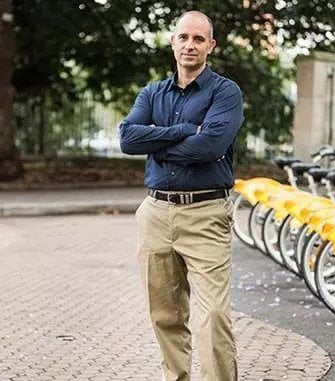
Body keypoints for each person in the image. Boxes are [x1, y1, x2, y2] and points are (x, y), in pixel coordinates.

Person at [119, 10, 243, 381]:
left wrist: (156, 140)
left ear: (211, 46)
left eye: (199, 39)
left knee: (212, 317)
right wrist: (187, 128)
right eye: (184, 37)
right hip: (156, 212)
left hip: (206, 212)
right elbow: (128, 139)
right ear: (173, 42)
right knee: (165, 314)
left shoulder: (226, 92)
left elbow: (210, 147)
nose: (190, 45)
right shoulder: (152, 92)